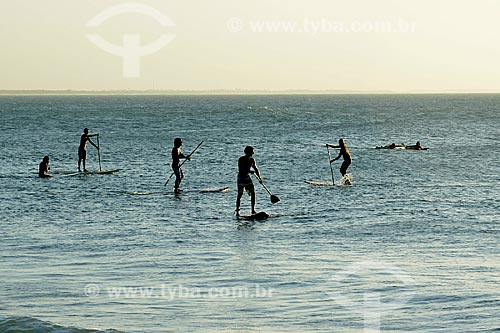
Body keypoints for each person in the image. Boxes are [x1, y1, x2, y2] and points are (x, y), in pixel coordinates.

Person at [235, 146, 261, 216]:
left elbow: (256, 169)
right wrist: (249, 171)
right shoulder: (241, 159)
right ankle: (237, 210)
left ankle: (252, 210)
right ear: (247, 152)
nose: (253, 153)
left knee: (253, 193)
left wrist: (260, 178)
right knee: (240, 195)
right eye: (252, 151)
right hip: (241, 179)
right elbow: (241, 169)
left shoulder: (252, 160)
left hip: (247, 178)